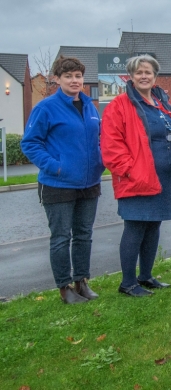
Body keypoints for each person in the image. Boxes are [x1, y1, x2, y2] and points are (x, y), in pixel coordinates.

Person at [101, 55, 171, 297]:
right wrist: (130, 170)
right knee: (135, 227)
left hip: (163, 178)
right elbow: (111, 146)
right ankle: (128, 283)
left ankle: (146, 276)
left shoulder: (163, 104)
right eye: (139, 72)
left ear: (155, 76)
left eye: (148, 72)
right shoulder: (119, 105)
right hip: (137, 178)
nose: (144, 76)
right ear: (131, 76)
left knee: (153, 226)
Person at [21, 56, 105, 304]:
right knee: (60, 238)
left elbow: (98, 140)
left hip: (89, 183)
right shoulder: (45, 108)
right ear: (57, 79)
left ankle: (81, 282)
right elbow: (30, 143)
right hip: (57, 184)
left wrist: (100, 162)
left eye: (78, 76)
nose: (74, 80)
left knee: (83, 235)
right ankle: (64, 287)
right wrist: (55, 167)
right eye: (68, 76)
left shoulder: (90, 107)